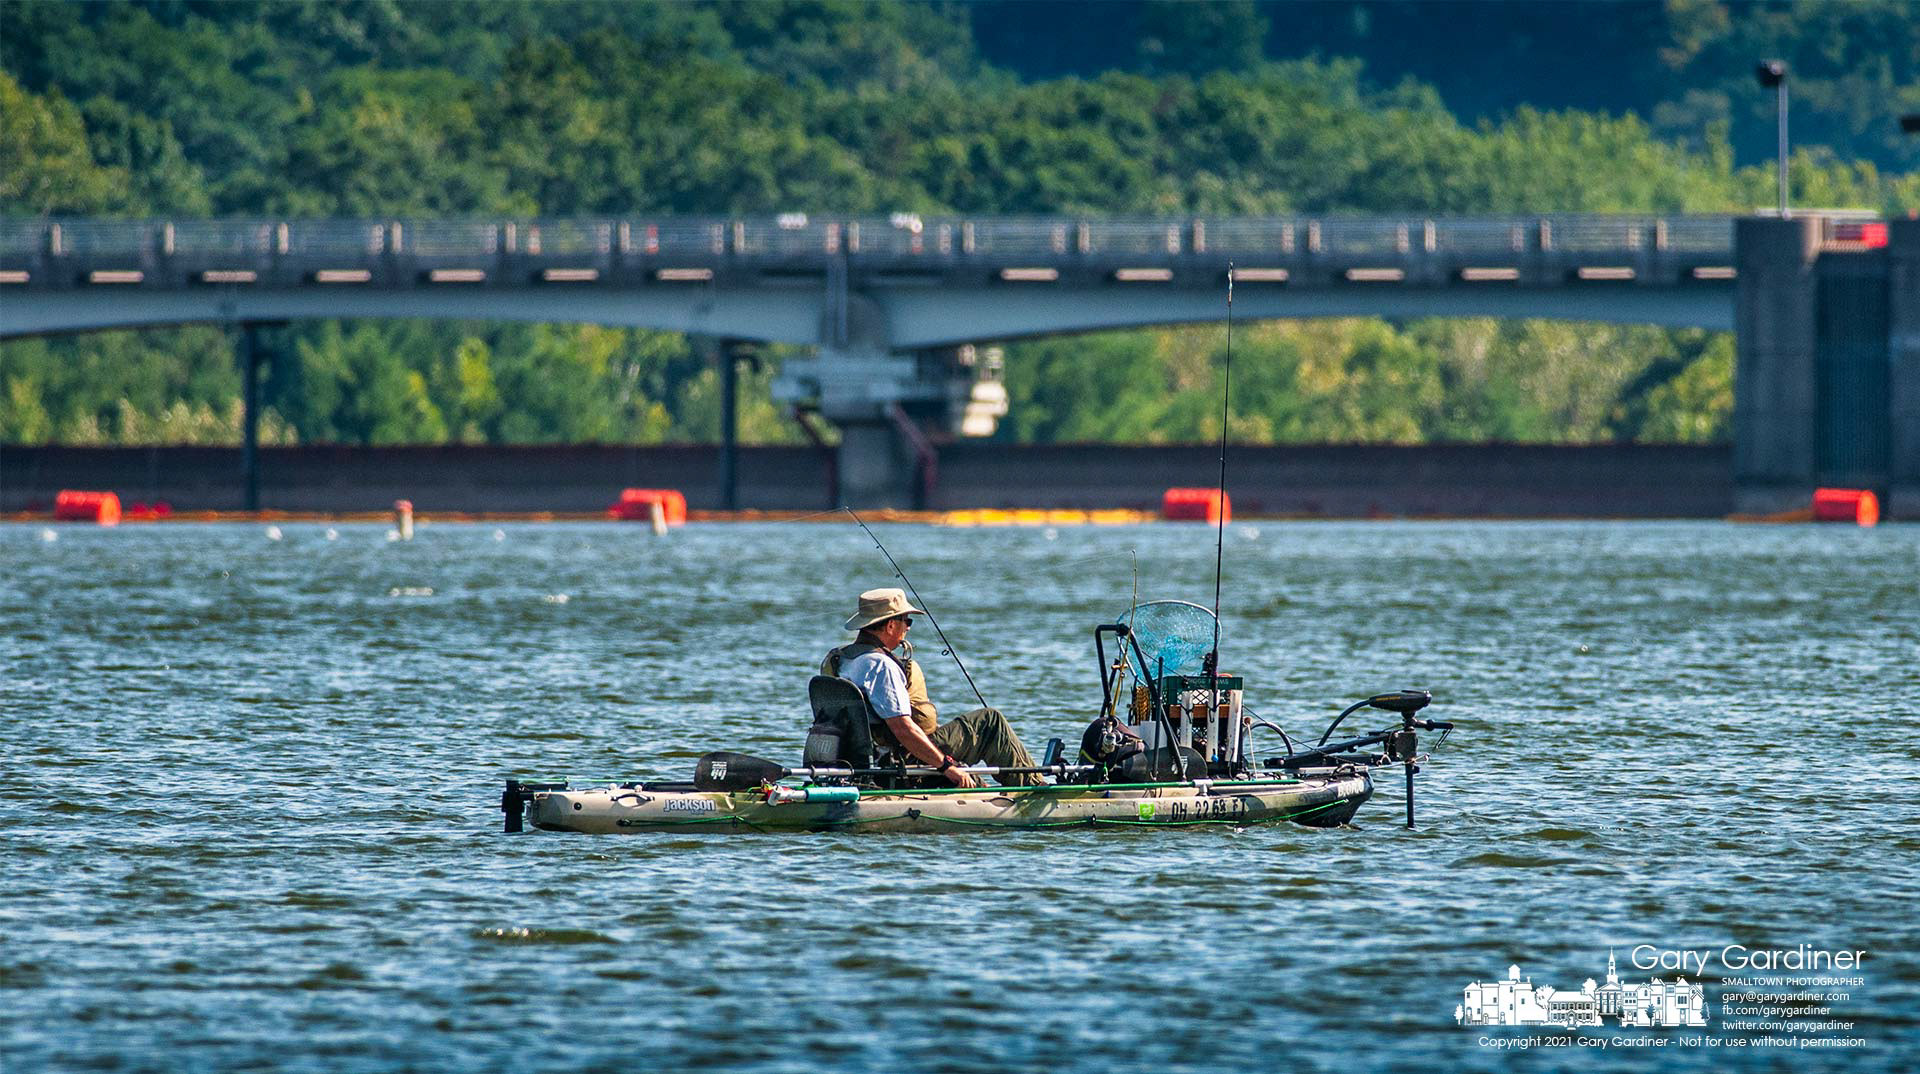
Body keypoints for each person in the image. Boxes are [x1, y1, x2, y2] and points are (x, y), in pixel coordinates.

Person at [823, 588, 1043, 787]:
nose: (907, 628)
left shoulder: (840, 659)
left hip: (858, 757)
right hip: (899, 757)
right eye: (906, 622)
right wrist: (946, 765)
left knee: (969, 778)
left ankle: (981, 793)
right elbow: (903, 729)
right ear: (890, 625)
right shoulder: (880, 666)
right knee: (990, 722)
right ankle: (1035, 788)